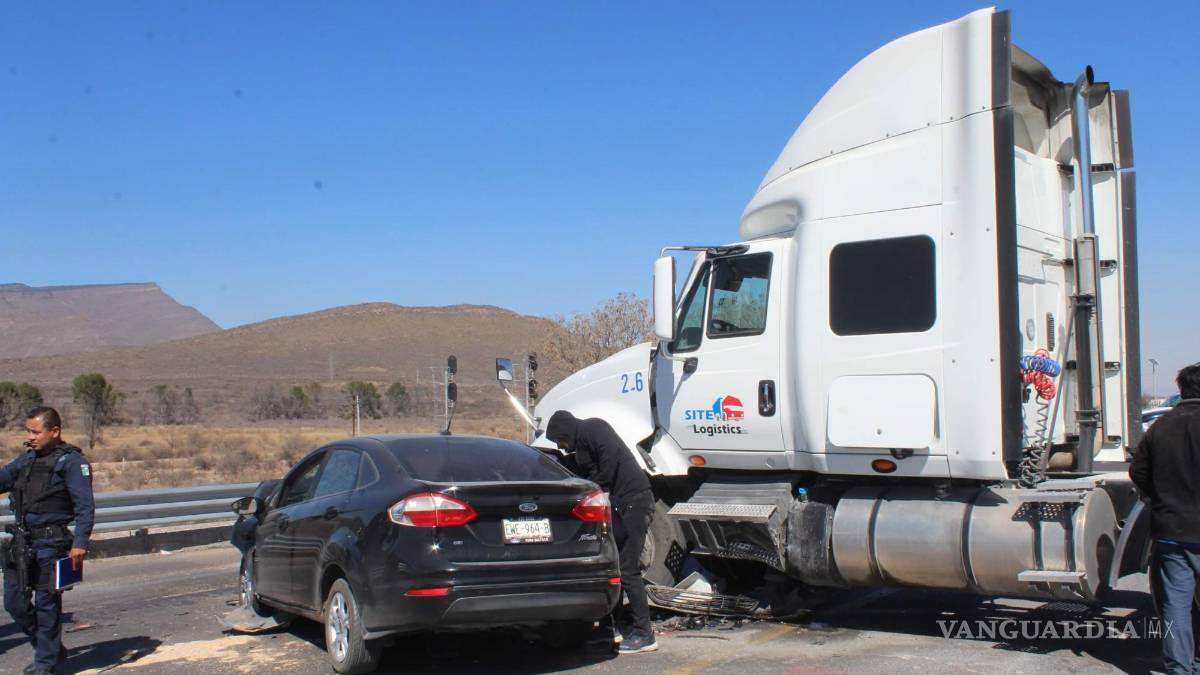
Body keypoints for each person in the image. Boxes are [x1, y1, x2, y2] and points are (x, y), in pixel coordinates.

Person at [545, 409, 658, 654]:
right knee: (612, 567)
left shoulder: (593, 427)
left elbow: (611, 456)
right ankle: (614, 627)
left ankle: (644, 633)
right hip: (619, 506)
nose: (563, 446)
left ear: (565, 431)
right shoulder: (580, 449)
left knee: (628, 569)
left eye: (560, 440)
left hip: (634, 502)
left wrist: (603, 489)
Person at [0, 407, 95, 675]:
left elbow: (85, 506)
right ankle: (50, 648)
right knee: (14, 603)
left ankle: (45, 663)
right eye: (28, 431)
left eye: (35, 431)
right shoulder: (26, 460)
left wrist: (80, 542)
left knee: (47, 605)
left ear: (55, 432)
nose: (30, 437)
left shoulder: (73, 462)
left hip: (51, 544)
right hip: (21, 543)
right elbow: (3, 479)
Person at [1131, 363, 1200, 675]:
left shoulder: (1160, 427)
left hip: (1171, 531)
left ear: (1182, 390)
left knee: (1176, 606)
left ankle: (1179, 668)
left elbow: (1138, 472)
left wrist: (1157, 499)